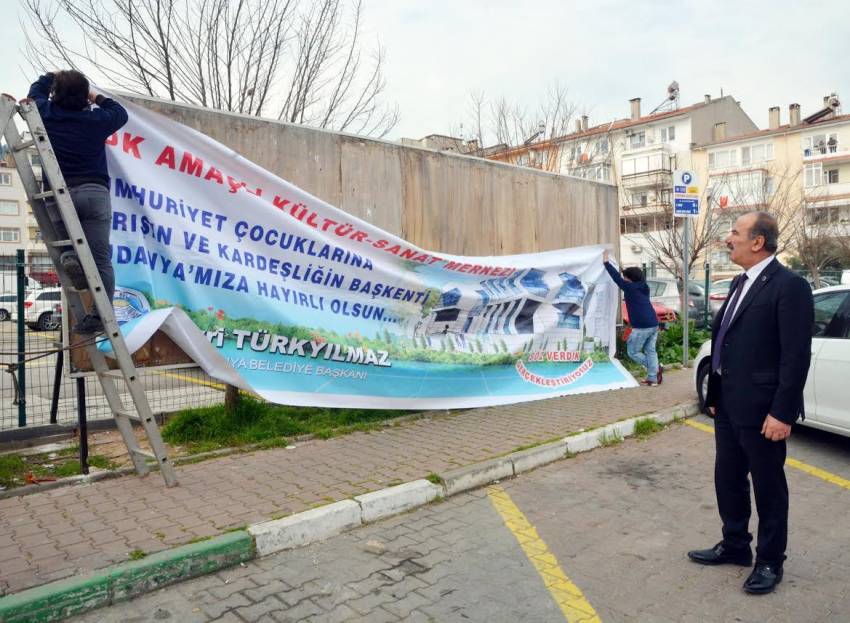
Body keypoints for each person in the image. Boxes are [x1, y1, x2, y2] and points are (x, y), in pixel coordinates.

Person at [688, 211, 813, 595]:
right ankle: (736, 544)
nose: (729, 238)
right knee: (728, 478)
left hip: (764, 411)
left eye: (735, 232)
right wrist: (715, 396)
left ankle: (771, 560)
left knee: (768, 486)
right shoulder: (741, 282)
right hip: (728, 406)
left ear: (758, 242)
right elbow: (727, 340)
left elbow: (796, 356)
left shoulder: (788, 286)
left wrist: (782, 412)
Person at [28, 70, 129, 334]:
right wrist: (94, 96)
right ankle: (99, 317)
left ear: (55, 93)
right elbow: (120, 112)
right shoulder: (96, 120)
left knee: (65, 245)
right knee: (101, 259)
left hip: (58, 195)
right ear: (84, 96)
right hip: (94, 193)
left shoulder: (45, 113)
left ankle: (71, 257)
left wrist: (51, 75)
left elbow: (35, 92)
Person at [602, 249, 662, 386]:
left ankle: (656, 369)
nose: (624, 279)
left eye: (625, 277)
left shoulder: (630, 288)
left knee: (633, 352)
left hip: (642, 326)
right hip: (654, 323)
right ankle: (653, 378)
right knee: (650, 350)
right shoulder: (643, 286)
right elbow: (623, 276)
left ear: (629, 279)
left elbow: (616, 278)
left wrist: (606, 263)